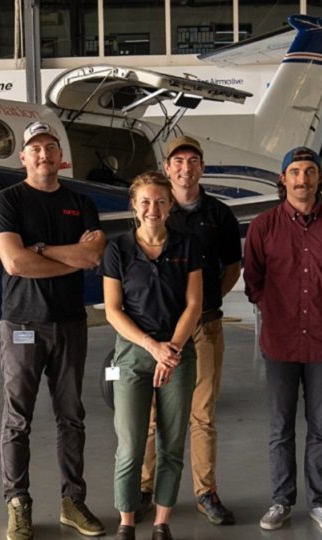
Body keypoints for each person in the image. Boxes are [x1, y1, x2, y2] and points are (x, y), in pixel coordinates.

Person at [0, 120, 107, 540]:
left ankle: (72, 502)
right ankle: (17, 503)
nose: (44, 155)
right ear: (23, 157)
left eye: (51, 148)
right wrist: (66, 257)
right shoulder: (7, 201)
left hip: (70, 325)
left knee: (71, 417)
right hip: (22, 325)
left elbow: (93, 256)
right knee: (17, 419)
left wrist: (39, 249)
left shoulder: (80, 201)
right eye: (35, 148)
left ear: (62, 157)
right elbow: (15, 263)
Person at [244, 146, 322, 534]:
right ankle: (281, 500)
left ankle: (320, 503)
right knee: (281, 426)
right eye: (295, 171)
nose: (302, 179)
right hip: (280, 342)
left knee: (321, 425)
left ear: (319, 178)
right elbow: (253, 281)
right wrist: (276, 311)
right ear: (283, 179)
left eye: (310, 171)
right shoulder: (263, 226)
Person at [136, 135, 241, 525]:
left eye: (193, 160)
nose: (185, 167)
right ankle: (145, 489)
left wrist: (205, 302)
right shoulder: (157, 212)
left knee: (203, 414)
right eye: (177, 161)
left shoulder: (220, 215)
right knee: (149, 414)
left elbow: (232, 267)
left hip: (205, 327)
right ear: (167, 168)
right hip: (159, 332)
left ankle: (205, 492)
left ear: (202, 167)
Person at [101, 171, 203, 540]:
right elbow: (113, 311)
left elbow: (194, 304)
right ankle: (127, 523)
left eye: (160, 201)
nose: (152, 209)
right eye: (145, 201)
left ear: (170, 205)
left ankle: (162, 523)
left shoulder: (187, 245)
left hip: (177, 355)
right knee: (130, 445)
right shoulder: (118, 249)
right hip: (133, 356)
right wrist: (152, 347)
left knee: (172, 444)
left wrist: (171, 351)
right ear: (134, 206)